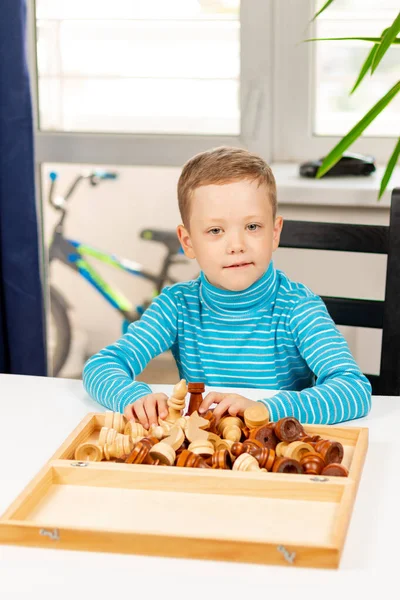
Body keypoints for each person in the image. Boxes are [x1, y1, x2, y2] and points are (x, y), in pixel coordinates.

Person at [82, 146, 371, 428]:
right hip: (205, 455)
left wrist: (266, 409)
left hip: (277, 456)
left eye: (253, 227)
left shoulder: (297, 308)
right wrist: (133, 397)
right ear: (188, 242)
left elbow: (353, 390)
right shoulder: (177, 306)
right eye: (215, 231)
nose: (236, 246)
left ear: (274, 233)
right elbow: (101, 366)